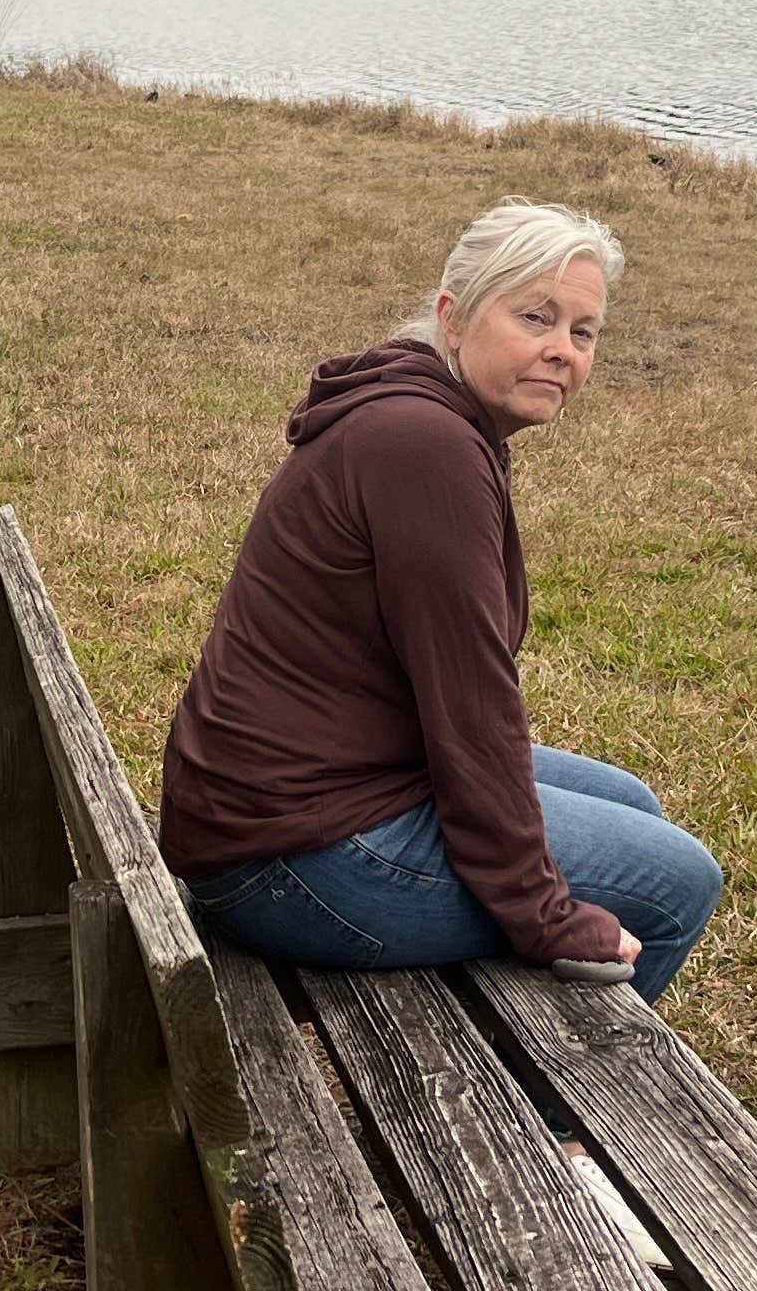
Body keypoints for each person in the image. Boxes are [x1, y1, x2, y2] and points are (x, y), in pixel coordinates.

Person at [161, 200, 723, 1002]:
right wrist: (543, 913)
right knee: (676, 883)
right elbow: (473, 704)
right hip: (292, 859)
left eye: (583, 331)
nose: (561, 350)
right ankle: (562, 1120)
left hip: (291, 800)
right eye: (536, 316)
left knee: (634, 805)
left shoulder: (425, 415)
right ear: (453, 320)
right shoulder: (425, 444)